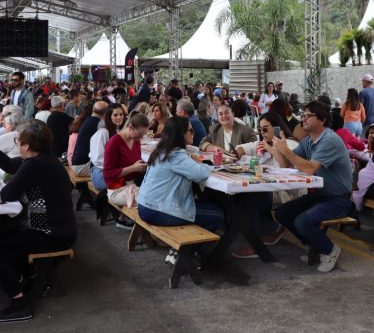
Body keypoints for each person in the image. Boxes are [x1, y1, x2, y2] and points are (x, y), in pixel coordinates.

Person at [0, 121, 77, 323]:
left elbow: (6, 193)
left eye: (19, 141)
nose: (18, 145)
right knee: (2, 237)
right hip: (59, 229)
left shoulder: (34, 165)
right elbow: (9, 165)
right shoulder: (44, 158)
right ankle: (32, 278)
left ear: (26, 145)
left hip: (51, 234)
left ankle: (19, 304)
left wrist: (16, 179)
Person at [273, 101, 353, 273]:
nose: (303, 119)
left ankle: (330, 250)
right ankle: (316, 245)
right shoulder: (309, 141)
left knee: (302, 221)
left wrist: (286, 150)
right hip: (319, 196)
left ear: (322, 119)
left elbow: (310, 168)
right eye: (303, 116)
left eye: (308, 116)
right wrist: (278, 148)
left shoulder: (329, 140)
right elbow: (287, 165)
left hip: (339, 198)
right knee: (282, 213)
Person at [138, 116, 224, 264]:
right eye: (191, 130)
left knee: (204, 204)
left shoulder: (162, 150)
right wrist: (199, 163)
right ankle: (188, 254)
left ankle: (184, 250)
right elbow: (201, 174)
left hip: (146, 205)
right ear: (181, 133)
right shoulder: (176, 155)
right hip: (158, 210)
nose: (194, 133)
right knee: (217, 214)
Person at [231, 112, 301, 259]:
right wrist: (237, 152)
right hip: (268, 187)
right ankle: (272, 228)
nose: (261, 133)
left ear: (276, 127)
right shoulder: (261, 142)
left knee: (252, 200)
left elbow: (285, 167)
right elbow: (241, 148)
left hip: (288, 190)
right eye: (259, 129)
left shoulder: (290, 143)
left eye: (265, 129)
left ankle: (256, 246)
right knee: (238, 197)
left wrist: (272, 150)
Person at [104, 113, 149, 207]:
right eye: (139, 134)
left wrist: (144, 167)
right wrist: (133, 168)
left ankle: (126, 220)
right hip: (117, 188)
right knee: (147, 201)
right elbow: (108, 173)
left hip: (133, 184)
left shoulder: (135, 140)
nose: (141, 138)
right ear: (130, 127)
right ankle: (126, 220)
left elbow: (135, 162)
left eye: (143, 135)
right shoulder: (114, 142)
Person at [89, 105, 126, 193]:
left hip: (110, 172)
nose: (119, 117)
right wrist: (117, 170)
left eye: (121, 114)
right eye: (115, 115)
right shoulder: (103, 133)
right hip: (100, 173)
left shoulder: (116, 131)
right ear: (109, 116)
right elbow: (98, 159)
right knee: (127, 186)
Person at [72, 100, 108, 176]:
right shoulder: (100, 124)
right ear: (106, 113)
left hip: (77, 163)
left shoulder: (89, 120)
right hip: (83, 165)